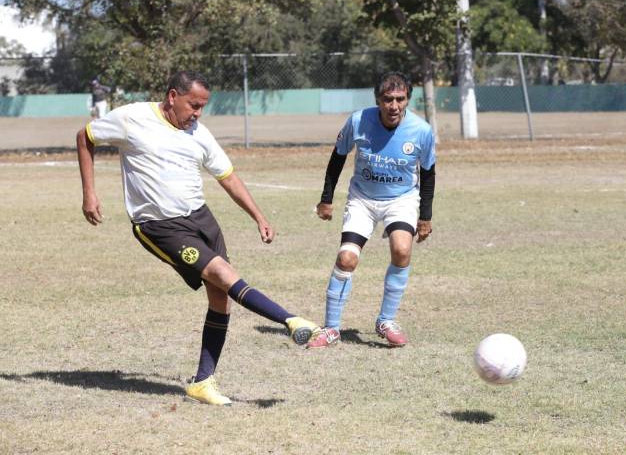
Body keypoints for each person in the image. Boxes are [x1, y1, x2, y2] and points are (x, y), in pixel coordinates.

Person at [76, 71, 318, 405]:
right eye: (194, 105)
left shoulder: (198, 133)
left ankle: (203, 382)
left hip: (201, 218)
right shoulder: (133, 118)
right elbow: (85, 136)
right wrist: (90, 192)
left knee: (221, 298)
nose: (198, 113)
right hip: (159, 225)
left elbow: (227, 177)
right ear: (173, 96)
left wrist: (258, 216)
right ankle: (289, 320)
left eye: (203, 107)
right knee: (223, 274)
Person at [307, 71, 436, 349]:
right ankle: (331, 328)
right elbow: (338, 157)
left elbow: (428, 174)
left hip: (401, 200)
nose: (394, 106)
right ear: (377, 99)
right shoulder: (358, 121)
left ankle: (386, 321)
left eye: (400, 99)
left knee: (402, 249)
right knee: (346, 259)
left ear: (408, 100)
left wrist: (425, 216)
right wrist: (326, 199)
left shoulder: (422, 131)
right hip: (362, 200)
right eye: (387, 99)